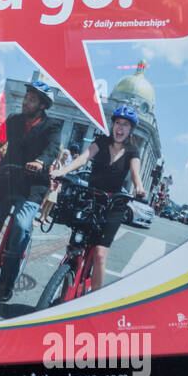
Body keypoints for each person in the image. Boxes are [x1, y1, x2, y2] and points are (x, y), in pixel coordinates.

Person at [51, 105, 147, 292]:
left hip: (113, 205)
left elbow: (136, 172)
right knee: (76, 243)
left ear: (130, 129)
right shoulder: (101, 142)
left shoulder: (132, 151)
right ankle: (67, 275)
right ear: (113, 126)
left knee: (100, 254)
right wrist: (62, 171)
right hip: (92, 198)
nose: (120, 128)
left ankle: (95, 301)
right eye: (118, 123)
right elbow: (83, 158)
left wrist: (139, 187)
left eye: (125, 125)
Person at [0, 81, 62, 303]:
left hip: (32, 188)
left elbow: (51, 150)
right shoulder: (13, 121)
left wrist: (41, 161)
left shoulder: (52, 127)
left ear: (42, 105)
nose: (25, 101)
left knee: (20, 226)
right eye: (26, 97)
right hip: (7, 181)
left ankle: (7, 282)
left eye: (31, 99)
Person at [38, 142, 77, 225]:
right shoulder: (57, 162)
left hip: (57, 185)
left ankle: (46, 216)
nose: (66, 157)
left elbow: (62, 177)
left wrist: (60, 186)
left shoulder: (64, 165)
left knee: (52, 202)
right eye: (65, 154)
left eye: (67, 155)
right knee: (48, 201)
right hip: (53, 184)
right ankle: (42, 216)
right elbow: (51, 172)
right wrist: (51, 184)